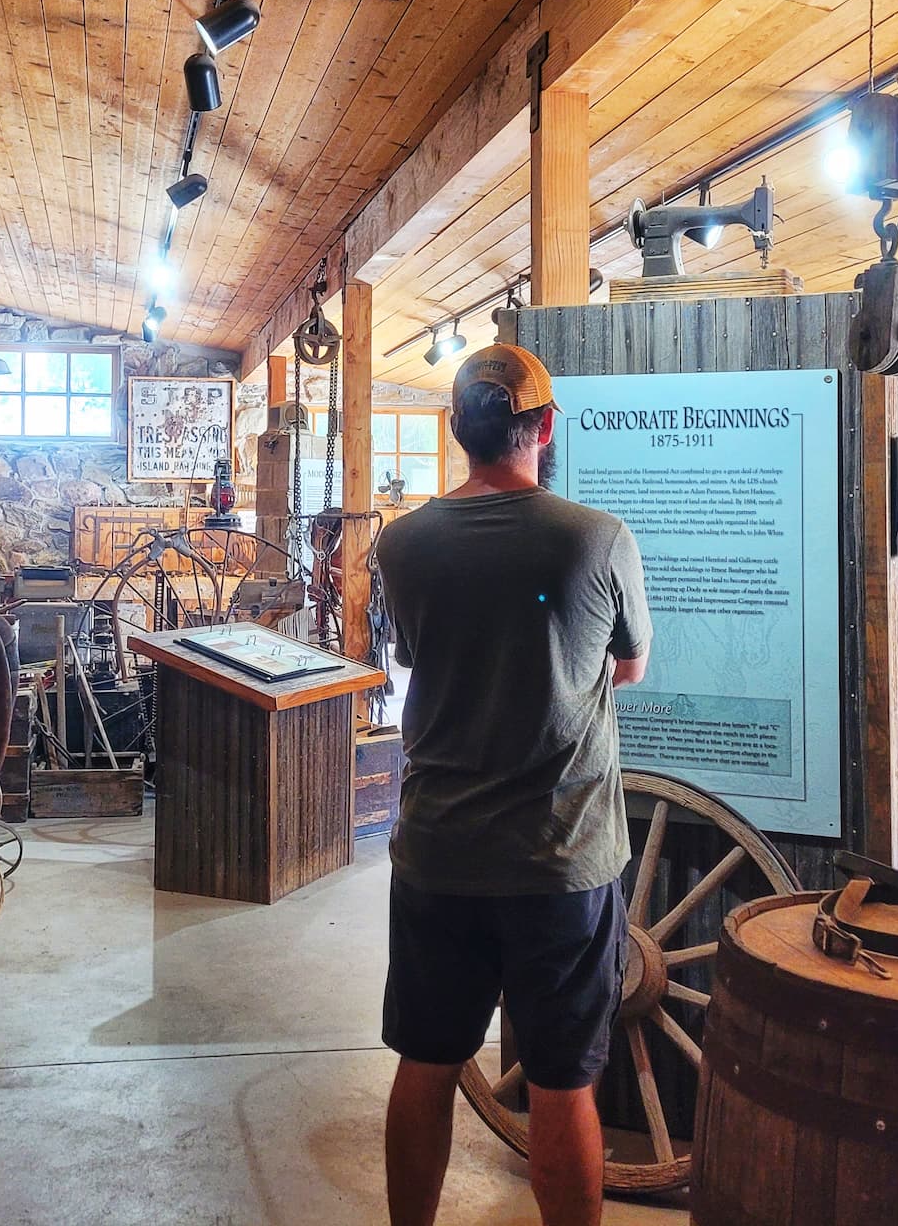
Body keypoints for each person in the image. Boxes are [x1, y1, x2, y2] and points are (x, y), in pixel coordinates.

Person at [373, 343, 652, 1226]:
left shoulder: (402, 544)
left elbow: (416, 654)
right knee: (565, 1084)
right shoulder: (596, 538)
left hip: (440, 851)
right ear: (546, 426)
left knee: (425, 1064)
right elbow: (630, 666)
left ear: (459, 428)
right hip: (560, 857)